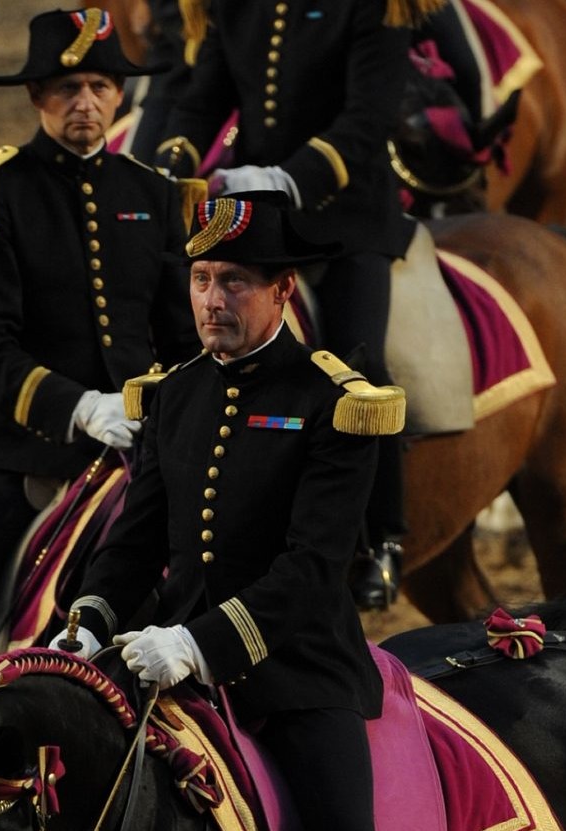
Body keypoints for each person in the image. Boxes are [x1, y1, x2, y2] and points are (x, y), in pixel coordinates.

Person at [64, 192, 402, 831]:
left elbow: (307, 573)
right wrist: (89, 621)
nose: (213, 300)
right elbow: (133, 547)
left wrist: (197, 644)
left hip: (294, 674)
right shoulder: (173, 392)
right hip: (167, 666)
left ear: (282, 290)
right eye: (203, 279)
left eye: (235, 283)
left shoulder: (338, 402)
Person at [0, 8, 199, 739]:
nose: (84, 103)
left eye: (98, 85)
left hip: (135, 444)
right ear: (36, 97)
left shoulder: (155, 196)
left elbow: (181, 338)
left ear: (120, 97)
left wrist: (168, 407)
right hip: (19, 444)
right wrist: (75, 407)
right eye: (67, 89)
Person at [148, 0, 444, 608]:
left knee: (357, 363)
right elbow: (205, 96)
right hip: (261, 213)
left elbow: (368, 118)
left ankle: (382, 538)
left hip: (347, 215)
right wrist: (175, 158)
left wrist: (286, 178)